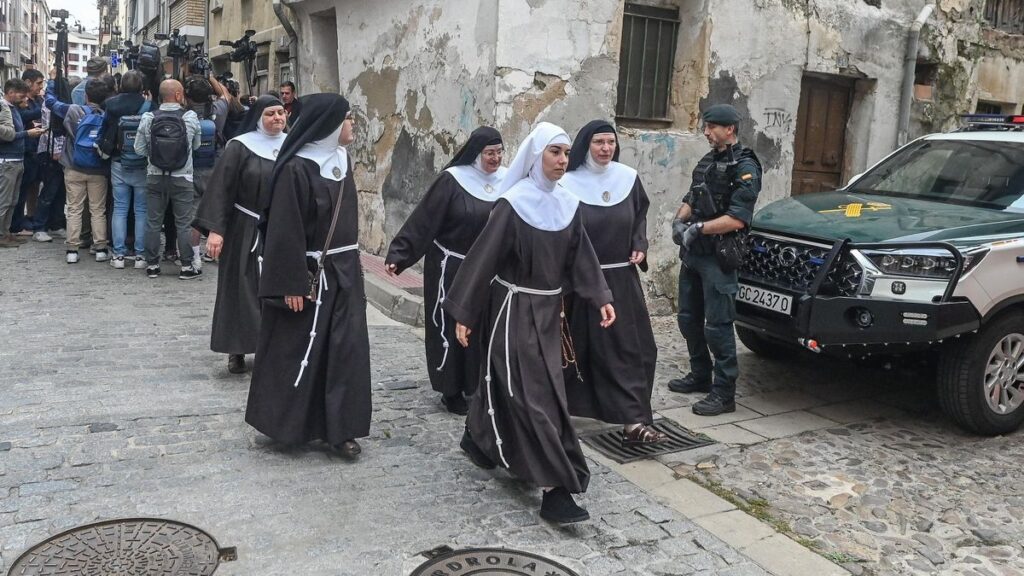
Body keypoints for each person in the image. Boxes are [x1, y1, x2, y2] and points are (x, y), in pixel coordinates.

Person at [443, 122, 616, 524]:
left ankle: (481, 439)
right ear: (536, 157)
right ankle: (557, 489)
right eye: (554, 152)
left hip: (550, 313)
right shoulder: (513, 203)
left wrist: (601, 297)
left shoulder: (568, 204)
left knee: (523, 388)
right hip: (513, 312)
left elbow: (581, 258)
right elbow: (482, 258)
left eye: (566, 152)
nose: (562, 160)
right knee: (536, 396)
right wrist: (465, 312)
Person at [245, 94, 371, 458]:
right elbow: (283, 228)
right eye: (347, 119)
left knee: (346, 350)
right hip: (309, 273)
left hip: (345, 272)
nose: (352, 126)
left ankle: (341, 428)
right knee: (299, 349)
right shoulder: (296, 169)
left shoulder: (342, 160)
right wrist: (292, 281)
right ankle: (289, 424)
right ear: (329, 125)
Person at [384, 126, 507, 415]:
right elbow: (425, 220)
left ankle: (477, 384)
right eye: (490, 153)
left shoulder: (508, 181)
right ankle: (450, 389)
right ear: (476, 154)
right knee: (450, 327)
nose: (496, 158)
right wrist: (400, 253)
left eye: (500, 152)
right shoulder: (452, 181)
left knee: (481, 328)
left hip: (486, 269)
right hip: (449, 266)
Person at [560, 120, 664, 445]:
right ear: (585, 146)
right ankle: (556, 411)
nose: (606, 149)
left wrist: (639, 243)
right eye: (599, 142)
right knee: (578, 352)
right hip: (581, 284)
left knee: (637, 351)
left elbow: (640, 216)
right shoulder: (567, 184)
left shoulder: (627, 179)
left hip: (621, 279)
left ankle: (634, 421)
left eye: (610, 142)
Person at [668, 104, 762, 416]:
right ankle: (699, 374)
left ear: (729, 129)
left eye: (711, 127)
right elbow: (691, 198)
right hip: (694, 254)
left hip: (720, 257)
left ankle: (724, 393)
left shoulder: (746, 166)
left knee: (718, 326)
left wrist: (699, 228)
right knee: (687, 319)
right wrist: (679, 222)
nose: (706, 133)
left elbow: (737, 218)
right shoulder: (708, 160)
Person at [193, 95, 287, 375]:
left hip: (280, 229)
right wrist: (216, 231)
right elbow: (221, 189)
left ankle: (274, 348)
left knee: (279, 288)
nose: (278, 118)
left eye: (281, 113)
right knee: (241, 289)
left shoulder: (293, 147)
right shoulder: (240, 147)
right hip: (244, 227)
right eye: (270, 113)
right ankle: (237, 348)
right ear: (259, 117)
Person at [134, 79, 203, 280]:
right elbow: (196, 146)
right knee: (183, 223)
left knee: (153, 222)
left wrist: (154, 157)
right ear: (179, 95)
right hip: (183, 177)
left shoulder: (148, 117)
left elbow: (139, 149)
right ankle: (187, 266)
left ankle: (153, 265)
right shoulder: (190, 117)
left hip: (155, 176)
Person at [98, 70, 152, 268]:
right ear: (141, 87)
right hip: (141, 161)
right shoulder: (148, 106)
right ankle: (140, 255)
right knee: (141, 209)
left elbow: (104, 131)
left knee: (120, 208)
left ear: (121, 86)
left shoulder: (111, 105)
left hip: (118, 160)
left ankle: (118, 255)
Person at [61, 76, 114, 263]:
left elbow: (68, 129)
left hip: (74, 166)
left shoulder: (74, 111)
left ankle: (72, 250)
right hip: (98, 169)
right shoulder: (107, 114)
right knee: (98, 209)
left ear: (86, 95)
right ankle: (100, 247)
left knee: (74, 208)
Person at [0, 79, 44, 248]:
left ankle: (7, 232)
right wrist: (26, 133)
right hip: (7, 160)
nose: (24, 97)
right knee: (5, 200)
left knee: (13, 200)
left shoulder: (12, 108)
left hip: (16, 159)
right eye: (20, 94)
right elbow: (8, 134)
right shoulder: (4, 107)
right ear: (10, 92)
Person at [10, 69, 46, 238]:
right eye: (38, 83)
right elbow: (22, 117)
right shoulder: (17, 104)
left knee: (32, 187)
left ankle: (29, 217)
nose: (41, 87)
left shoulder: (39, 100)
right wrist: (44, 110)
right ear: (28, 82)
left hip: (36, 150)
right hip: (22, 151)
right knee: (18, 191)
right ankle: (14, 226)